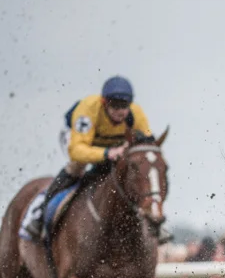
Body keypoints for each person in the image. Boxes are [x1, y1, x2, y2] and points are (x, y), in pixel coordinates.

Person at [24, 76, 153, 240]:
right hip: (79, 139)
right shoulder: (88, 109)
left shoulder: (136, 114)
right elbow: (76, 150)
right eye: (115, 105)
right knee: (77, 166)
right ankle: (40, 213)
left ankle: (152, 219)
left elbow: (147, 144)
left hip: (112, 143)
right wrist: (106, 154)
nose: (120, 111)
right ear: (104, 102)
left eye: (124, 106)